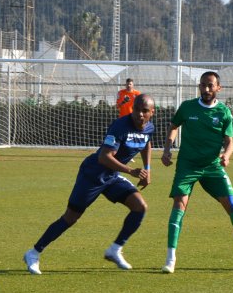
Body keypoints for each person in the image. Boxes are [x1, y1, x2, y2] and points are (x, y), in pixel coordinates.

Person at [22, 94, 156, 273]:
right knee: (70, 218)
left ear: (151, 113)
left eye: (144, 111)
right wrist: (131, 171)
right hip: (93, 174)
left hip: (112, 176)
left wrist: (147, 169)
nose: (140, 114)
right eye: (137, 109)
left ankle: (115, 250)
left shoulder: (149, 128)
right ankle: (34, 253)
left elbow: (146, 143)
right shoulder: (120, 126)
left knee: (140, 207)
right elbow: (104, 157)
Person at [160, 71, 233, 274]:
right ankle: (170, 258)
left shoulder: (224, 113)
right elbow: (174, 127)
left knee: (232, 205)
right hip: (188, 166)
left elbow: (230, 143)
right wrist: (167, 148)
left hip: (212, 167)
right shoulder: (187, 107)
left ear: (219, 88)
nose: (206, 89)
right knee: (179, 205)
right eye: (203, 85)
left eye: (210, 85)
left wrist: (226, 156)